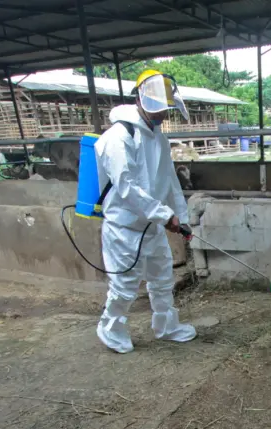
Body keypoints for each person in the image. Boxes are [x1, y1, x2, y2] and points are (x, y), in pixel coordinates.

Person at [93, 69, 196, 354]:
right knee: (125, 285)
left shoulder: (158, 137)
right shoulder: (119, 136)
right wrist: (165, 216)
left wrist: (182, 218)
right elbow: (127, 187)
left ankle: (167, 326)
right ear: (142, 99)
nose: (164, 113)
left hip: (151, 227)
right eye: (160, 107)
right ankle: (110, 328)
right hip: (125, 228)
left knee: (162, 279)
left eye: (166, 108)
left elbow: (170, 180)